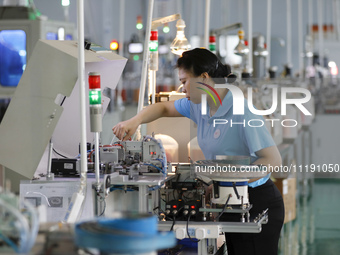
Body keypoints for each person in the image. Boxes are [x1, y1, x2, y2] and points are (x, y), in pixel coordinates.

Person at [112, 48, 284, 255]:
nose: (181, 87)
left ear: (204, 78)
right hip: (230, 202)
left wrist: (230, 180)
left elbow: (273, 160)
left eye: (185, 81)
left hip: (256, 201)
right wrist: (134, 121)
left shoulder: (242, 112)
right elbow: (163, 108)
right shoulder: (200, 105)